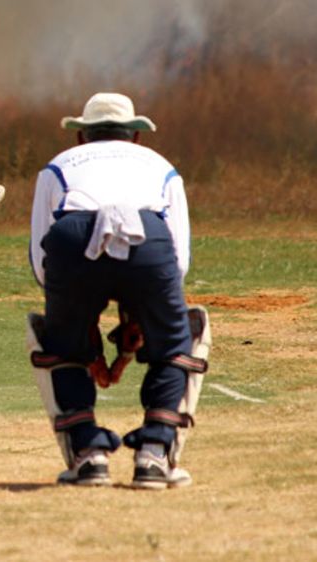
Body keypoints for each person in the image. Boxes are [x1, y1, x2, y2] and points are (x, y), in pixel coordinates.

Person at [26, 92, 209, 489]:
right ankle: (155, 457)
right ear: (136, 137)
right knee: (178, 340)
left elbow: (41, 260)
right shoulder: (161, 166)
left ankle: (88, 457)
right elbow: (177, 262)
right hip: (149, 242)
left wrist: (75, 327)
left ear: (81, 137)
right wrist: (146, 319)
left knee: (59, 345)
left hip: (73, 241)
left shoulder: (57, 166)